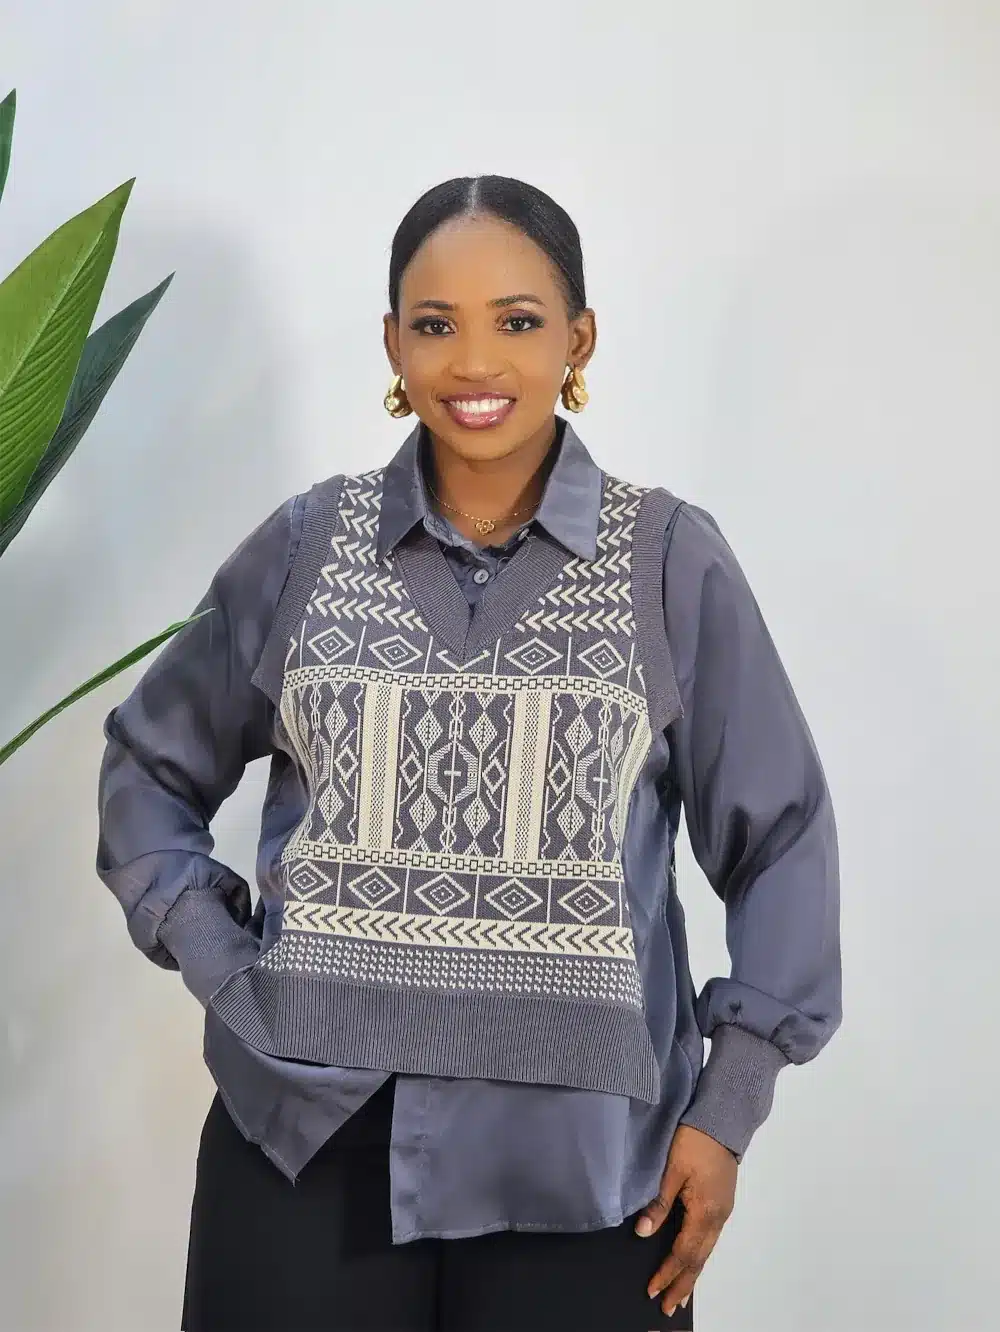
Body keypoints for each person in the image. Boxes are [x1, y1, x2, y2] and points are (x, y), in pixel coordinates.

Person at [96, 175, 841, 1332]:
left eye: (518, 321)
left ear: (578, 339)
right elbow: (149, 765)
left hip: (592, 1171)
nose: (474, 362)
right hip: (301, 1146)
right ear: (393, 345)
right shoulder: (304, 548)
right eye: (435, 324)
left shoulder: (666, 562)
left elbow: (781, 837)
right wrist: (223, 966)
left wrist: (726, 1107)